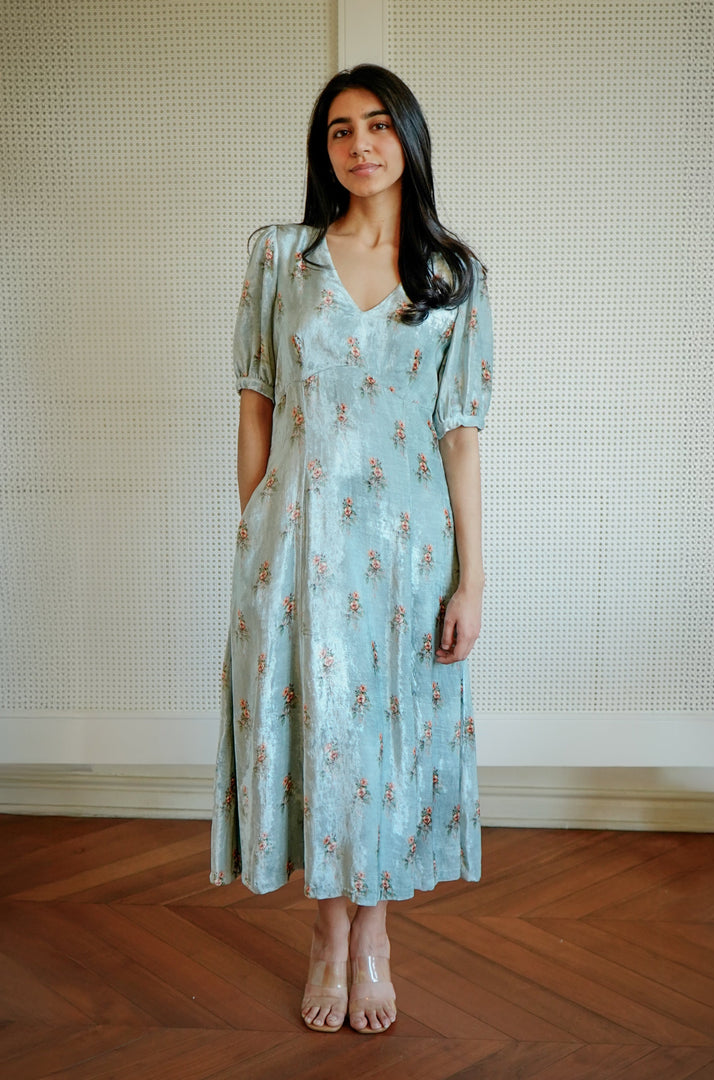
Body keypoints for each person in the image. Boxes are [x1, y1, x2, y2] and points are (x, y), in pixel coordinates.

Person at [211, 64, 493, 1034]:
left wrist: (473, 576)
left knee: (389, 741)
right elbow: (256, 399)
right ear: (323, 149)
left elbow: (461, 431)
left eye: (378, 125)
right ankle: (327, 936)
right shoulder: (279, 257)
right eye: (340, 130)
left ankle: (375, 936)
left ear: (408, 138)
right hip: (295, 549)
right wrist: (255, 530)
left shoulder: (455, 274)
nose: (361, 144)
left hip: (410, 555)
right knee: (318, 738)